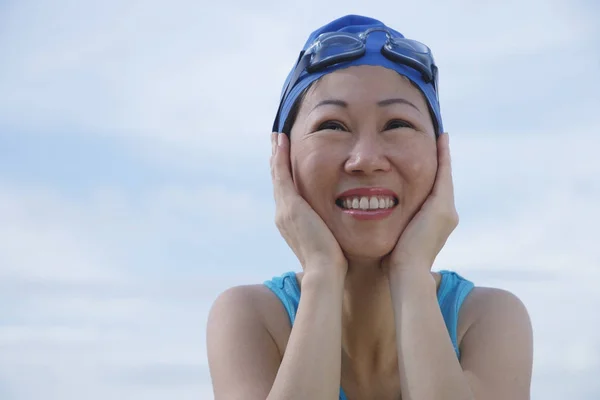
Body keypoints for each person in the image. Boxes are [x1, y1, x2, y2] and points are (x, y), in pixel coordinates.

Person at [207, 15, 533, 400]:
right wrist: (323, 273)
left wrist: (410, 273)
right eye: (333, 126)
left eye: (396, 124)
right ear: (282, 158)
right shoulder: (252, 319)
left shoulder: (487, 320)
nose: (365, 159)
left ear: (440, 155)